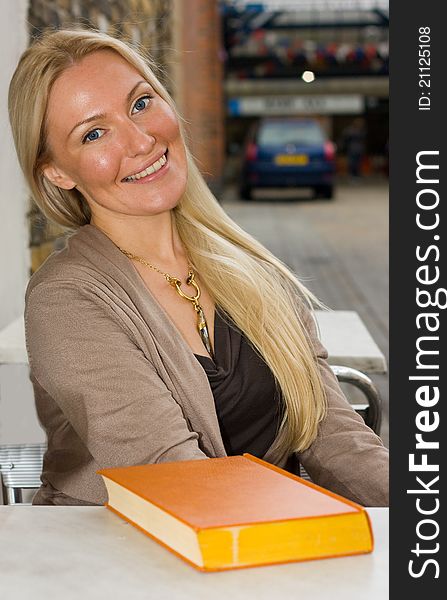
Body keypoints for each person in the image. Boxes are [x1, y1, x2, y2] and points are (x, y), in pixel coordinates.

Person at [9, 28, 388, 507]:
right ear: (58, 173)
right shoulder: (66, 300)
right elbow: (174, 478)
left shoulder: (250, 269)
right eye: (94, 133)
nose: (141, 140)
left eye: (141, 103)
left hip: (257, 553)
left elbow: (334, 436)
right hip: (121, 567)